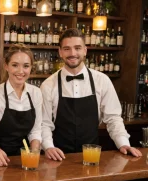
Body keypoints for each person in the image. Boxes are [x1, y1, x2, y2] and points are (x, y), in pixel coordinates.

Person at [40, 28, 142, 161]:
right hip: (58, 157)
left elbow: (113, 118)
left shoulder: (102, 80)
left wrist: (123, 143)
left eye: (77, 48)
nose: (73, 53)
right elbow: (44, 123)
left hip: (92, 156)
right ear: (60, 52)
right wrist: (48, 147)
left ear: (85, 50)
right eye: (67, 49)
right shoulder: (48, 85)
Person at [0, 44, 42, 167]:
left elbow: (36, 131)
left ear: (31, 68)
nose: (20, 71)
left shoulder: (36, 93)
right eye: (15, 65)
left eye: (26, 66)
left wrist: (34, 152)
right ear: (6, 66)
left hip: (25, 160)